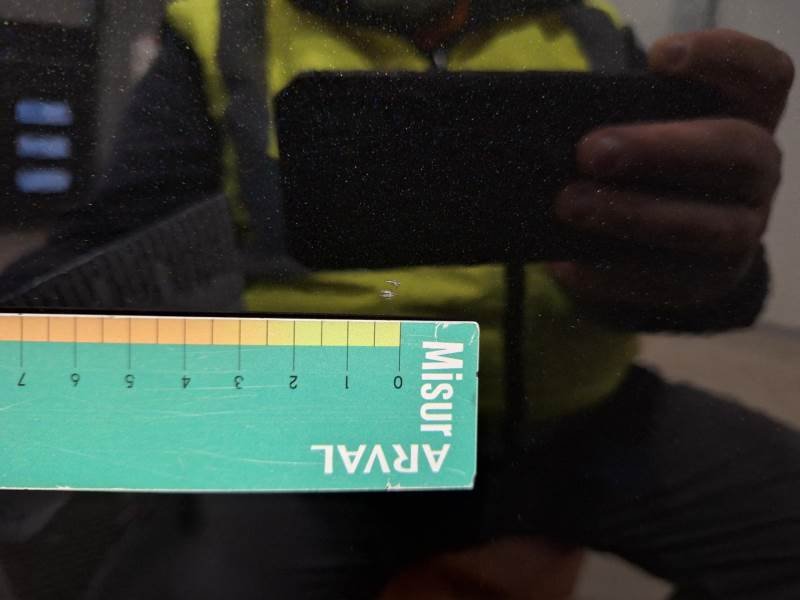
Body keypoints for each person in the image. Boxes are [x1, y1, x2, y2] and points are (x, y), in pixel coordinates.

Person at [3, 1, 799, 598]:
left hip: (579, 416)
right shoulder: (220, 23)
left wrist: (714, 275)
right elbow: (118, 242)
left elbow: (706, 273)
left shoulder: (588, 26)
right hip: (321, 434)